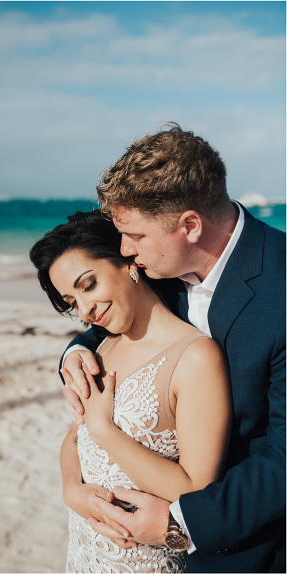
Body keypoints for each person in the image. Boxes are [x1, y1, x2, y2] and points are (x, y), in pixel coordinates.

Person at [59, 124, 285, 572]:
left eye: (136, 237)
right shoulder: (162, 268)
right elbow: (122, 318)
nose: (124, 251)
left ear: (189, 226)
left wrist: (179, 524)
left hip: (250, 545)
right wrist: (75, 354)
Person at [30, 210, 232, 572]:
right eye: (71, 301)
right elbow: (75, 439)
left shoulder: (196, 357)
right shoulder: (102, 350)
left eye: (88, 285)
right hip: (83, 553)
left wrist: (104, 430)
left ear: (127, 262)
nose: (85, 310)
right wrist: (71, 490)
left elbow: (196, 489)